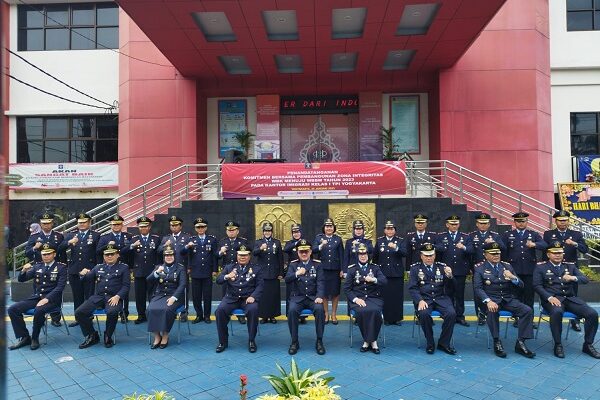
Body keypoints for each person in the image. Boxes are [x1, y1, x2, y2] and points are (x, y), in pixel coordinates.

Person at [533, 242, 600, 359]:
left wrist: (573, 278)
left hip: (570, 299)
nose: (558, 255)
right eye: (555, 253)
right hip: (552, 299)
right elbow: (537, 285)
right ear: (548, 254)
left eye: (560, 253)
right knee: (557, 312)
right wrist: (549, 297)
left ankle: (588, 344)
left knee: (592, 314)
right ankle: (558, 344)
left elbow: (585, 279)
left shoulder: (570, 266)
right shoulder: (541, 267)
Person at [474, 242, 535, 358]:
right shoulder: (479, 268)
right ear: (485, 255)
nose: (496, 255)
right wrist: (488, 301)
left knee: (527, 310)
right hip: (491, 300)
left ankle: (521, 342)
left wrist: (513, 278)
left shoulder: (507, 266)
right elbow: (478, 288)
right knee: (492, 311)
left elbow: (521, 285)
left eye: (498, 253)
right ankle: (496, 341)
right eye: (492, 253)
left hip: (507, 299)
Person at [7, 244, 67, 350]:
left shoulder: (61, 267)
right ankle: (25, 337)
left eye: (48, 254)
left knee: (39, 311)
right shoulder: (38, 266)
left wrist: (46, 299)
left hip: (52, 299)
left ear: (54, 254)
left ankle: (35, 338)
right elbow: (22, 279)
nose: (46, 256)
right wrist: (23, 271)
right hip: (37, 297)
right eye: (44, 254)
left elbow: (60, 287)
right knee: (13, 309)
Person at [75, 244, 130, 349]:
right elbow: (87, 278)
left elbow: (126, 286)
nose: (109, 256)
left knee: (112, 312)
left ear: (117, 255)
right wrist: (83, 274)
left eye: (112, 254)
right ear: (104, 256)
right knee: (79, 312)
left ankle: (108, 335)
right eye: (107, 254)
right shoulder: (98, 267)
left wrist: (118, 296)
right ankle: (92, 335)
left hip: (113, 297)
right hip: (99, 297)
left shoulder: (124, 268)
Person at [543, 210, 589, 332]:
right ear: (556, 221)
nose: (563, 222)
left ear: (568, 221)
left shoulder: (576, 234)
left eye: (565, 220)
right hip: (553, 269)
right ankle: (556, 315)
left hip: (570, 269)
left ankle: (575, 321)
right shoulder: (548, 234)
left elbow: (585, 250)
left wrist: (574, 244)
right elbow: (545, 252)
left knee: (573, 295)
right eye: (560, 220)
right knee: (554, 291)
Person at [408, 243, 457, 355]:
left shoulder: (442, 267)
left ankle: (444, 343)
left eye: (431, 255)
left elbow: (453, 287)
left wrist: (450, 276)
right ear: (421, 256)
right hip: (424, 299)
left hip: (441, 298)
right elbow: (412, 288)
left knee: (451, 314)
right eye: (426, 255)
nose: (429, 258)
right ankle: (430, 343)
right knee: (424, 314)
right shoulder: (415, 269)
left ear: (435, 255)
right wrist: (419, 300)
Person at [215, 245, 263, 353]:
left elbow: (260, 285)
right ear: (237, 256)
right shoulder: (229, 267)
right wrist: (227, 276)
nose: (242, 257)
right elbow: (218, 280)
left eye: (245, 255)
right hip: (231, 298)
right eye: (240, 255)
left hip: (247, 298)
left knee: (253, 310)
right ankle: (223, 341)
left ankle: (251, 340)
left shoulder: (256, 268)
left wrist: (253, 296)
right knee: (219, 311)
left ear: (249, 256)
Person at [501, 212, 546, 326]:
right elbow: (502, 249)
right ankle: (517, 318)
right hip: (514, 270)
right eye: (518, 221)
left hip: (529, 270)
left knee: (529, 295)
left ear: (527, 222)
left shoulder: (533, 234)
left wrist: (534, 245)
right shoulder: (507, 234)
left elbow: (545, 245)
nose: (521, 223)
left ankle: (529, 320)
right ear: (514, 222)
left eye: (523, 221)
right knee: (515, 295)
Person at [58, 213, 100, 327]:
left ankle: (89, 316)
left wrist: (95, 269)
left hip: (89, 270)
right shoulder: (71, 235)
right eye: (80, 222)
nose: (81, 224)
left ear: (89, 223)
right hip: (74, 270)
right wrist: (69, 242)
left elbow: (98, 254)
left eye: (84, 222)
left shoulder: (96, 235)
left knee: (89, 295)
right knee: (77, 295)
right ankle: (78, 318)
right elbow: (59, 248)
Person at [285, 239, 326, 355]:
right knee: (292, 311)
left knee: (319, 310)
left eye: (306, 251)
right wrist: (297, 273)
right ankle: (294, 341)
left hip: (313, 297)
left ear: (310, 252)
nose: (304, 254)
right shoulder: (293, 265)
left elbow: (321, 282)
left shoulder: (317, 265)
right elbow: (287, 279)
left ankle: (319, 340)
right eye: (301, 252)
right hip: (298, 297)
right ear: (297, 252)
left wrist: (319, 296)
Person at [344, 244, 387, 354]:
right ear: (357, 255)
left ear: (368, 255)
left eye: (365, 254)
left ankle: (368, 341)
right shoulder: (352, 270)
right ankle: (372, 342)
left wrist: (374, 280)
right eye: (360, 254)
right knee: (363, 311)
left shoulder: (375, 268)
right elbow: (347, 289)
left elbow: (384, 281)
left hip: (374, 298)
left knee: (375, 311)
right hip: (358, 299)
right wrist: (356, 300)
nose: (363, 256)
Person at [24, 212, 65, 327]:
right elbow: (27, 253)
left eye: (48, 223)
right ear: (40, 224)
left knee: (56, 292)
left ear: (52, 223)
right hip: (39, 270)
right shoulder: (34, 237)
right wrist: (34, 248)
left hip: (55, 268)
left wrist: (63, 266)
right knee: (38, 292)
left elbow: (62, 253)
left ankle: (56, 318)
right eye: (43, 223)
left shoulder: (59, 236)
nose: (46, 225)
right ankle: (39, 318)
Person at [435, 215, 473, 327]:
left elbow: (472, 250)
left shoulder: (465, 237)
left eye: (456, 224)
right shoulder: (441, 236)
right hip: (446, 270)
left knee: (460, 294)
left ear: (459, 224)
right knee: (447, 293)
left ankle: (460, 316)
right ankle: (449, 315)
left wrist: (464, 247)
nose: (454, 226)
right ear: (447, 225)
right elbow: (436, 248)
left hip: (460, 270)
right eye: (452, 224)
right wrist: (441, 247)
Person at [469, 213, 506, 326]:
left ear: (489, 224)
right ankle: (480, 315)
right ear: (477, 224)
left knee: (492, 291)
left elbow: (504, 248)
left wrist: (494, 243)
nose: (483, 225)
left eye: (485, 223)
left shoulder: (495, 236)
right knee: (478, 292)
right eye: (481, 223)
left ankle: (492, 313)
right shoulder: (471, 235)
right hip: (477, 268)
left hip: (493, 269)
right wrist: (470, 268)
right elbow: (469, 252)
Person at [121, 216, 160, 324]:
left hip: (152, 272)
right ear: (138, 227)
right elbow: (123, 252)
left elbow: (159, 255)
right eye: (141, 226)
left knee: (153, 295)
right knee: (140, 296)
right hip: (139, 272)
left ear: (149, 227)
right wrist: (132, 246)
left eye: (146, 226)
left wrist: (158, 266)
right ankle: (141, 315)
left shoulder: (156, 239)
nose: (143, 228)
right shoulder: (133, 239)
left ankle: (153, 314)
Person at [147, 245, 187, 349]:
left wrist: (174, 298)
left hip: (174, 296)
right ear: (164, 257)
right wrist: (157, 272)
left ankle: (165, 335)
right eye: (166, 256)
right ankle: (157, 336)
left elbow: (182, 285)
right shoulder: (159, 267)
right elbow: (149, 280)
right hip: (160, 295)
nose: (169, 257)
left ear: (174, 256)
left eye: (171, 255)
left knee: (167, 310)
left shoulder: (180, 268)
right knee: (151, 309)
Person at [96, 215, 132, 323]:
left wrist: (131, 266)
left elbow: (131, 253)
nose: (116, 226)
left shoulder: (128, 236)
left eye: (118, 224)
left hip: (124, 267)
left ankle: (124, 313)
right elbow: (98, 251)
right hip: (109, 268)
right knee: (111, 289)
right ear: (110, 225)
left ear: (122, 225)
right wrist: (106, 245)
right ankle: (111, 309)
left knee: (125, 290)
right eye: (114, 224)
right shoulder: (104, 237)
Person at [183, 217, 218, 324]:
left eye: (202, 227)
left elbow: (214, 256)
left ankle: (207, 316)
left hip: (207, 271)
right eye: (198, 227)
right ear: (195, 228)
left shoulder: (212, 240)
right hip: (195, 271)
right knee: (196, 296)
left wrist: (215, 269)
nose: (200, 229)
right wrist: (189, 267)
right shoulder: (191, 240)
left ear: (206, 228)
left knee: (207, 295)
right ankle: (199, 315)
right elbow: (187, 255)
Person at [158, 215, 191, 321]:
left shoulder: (187, 237)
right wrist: (164, 246)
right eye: (172, 225)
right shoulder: (166, 238)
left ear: (180, 226)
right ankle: (170, 307)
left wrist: (189, 267)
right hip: (169, 268)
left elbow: (191, 254)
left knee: (183, 289)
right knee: (170, 288)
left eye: (176, 225)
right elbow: (158, 251)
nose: (174, 227)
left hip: (182, 267)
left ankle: (184, 311)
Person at [373, 220, 405, 325]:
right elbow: (375, 258)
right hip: (383, 273)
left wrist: (396, 248)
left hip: (397, 274)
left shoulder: (400, 241)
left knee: (397, 297)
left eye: (392, 229)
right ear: (384, 230)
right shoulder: (380, 241)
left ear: (395, 230)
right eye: (388, 229)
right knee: (385, 296)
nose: (390, 231)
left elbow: (405, 253)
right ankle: (386, 318)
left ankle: (397, 318)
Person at [312, 218, 344, 324]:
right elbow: (313, 250)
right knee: (324, 293)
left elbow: (341, 255)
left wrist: (342, 269)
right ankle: (326, 314)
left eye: (331, 226)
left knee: (335, 293)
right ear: (324, 228)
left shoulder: (338, 239)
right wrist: (321, 245)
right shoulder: (319, 238)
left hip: (335, 270)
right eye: (327, 226)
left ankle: (334, 314)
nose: (329, 228)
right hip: (323, 269)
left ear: (333, 228)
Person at [218, 220, 249, 323]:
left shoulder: (243, 242)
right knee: (225, 292)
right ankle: (226, 312)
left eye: (233, 230)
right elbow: (216, 256)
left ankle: (240, 315)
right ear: (226, 231)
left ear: (237, 231)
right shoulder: (222, 242)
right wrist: (221, 252)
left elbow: (247, 256)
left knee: (239, 289)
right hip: (226, 270)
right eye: (229, 230)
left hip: (239, 270)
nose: (231, 232)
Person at [253, 222, 283, 324]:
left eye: (269, 231)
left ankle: (273, 316)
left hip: (274, 273)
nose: (267, 232)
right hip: (263, 274)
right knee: (263, 296)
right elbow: (254, 253)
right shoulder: (259, 242)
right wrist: (261, 248)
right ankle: (264, 316)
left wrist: (281, 273)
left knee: (273, 296)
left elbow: (280, 259)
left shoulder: (277, 242)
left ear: (272, 232)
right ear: (263, 232)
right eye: (265, 231)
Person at [283, 223, 305, 319]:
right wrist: (296, 243)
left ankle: (302, 316)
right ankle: (290, 315)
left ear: (301, 232)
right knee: (290, 293)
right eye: (294, 232)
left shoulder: (305, 242)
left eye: (298, 232)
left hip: (303, 270)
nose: (296, 234)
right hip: (292, 270)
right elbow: (286, 249)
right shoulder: (290, 243)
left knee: (302, 292)